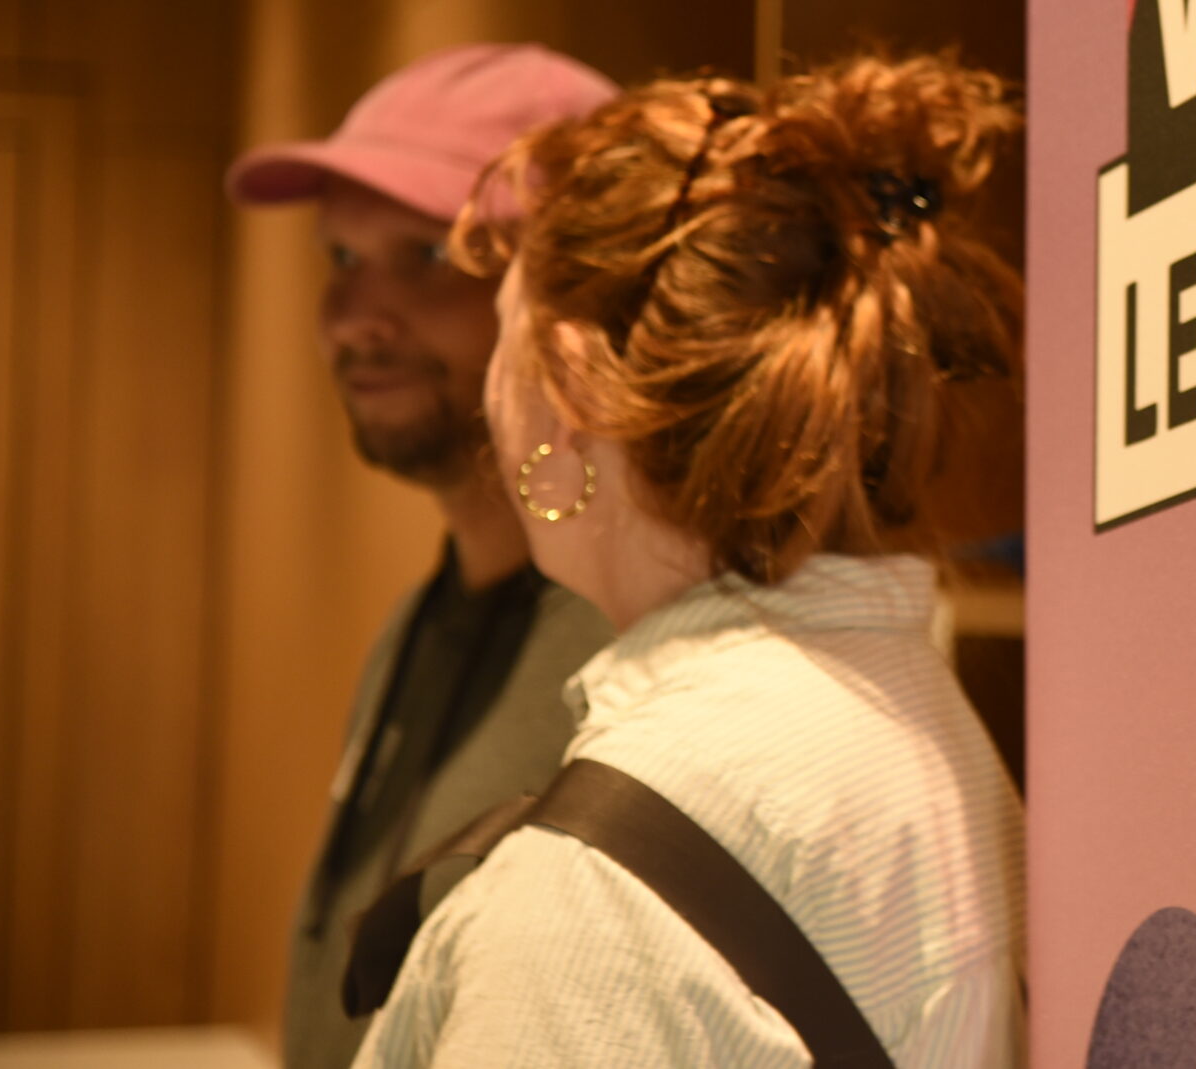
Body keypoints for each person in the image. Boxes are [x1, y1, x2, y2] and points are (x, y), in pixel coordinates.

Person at [350, 54, 1027, 1069]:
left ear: (571, 388)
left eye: (506, 335)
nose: (496, 387)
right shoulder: (913, 716)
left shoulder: (594, 893)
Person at [227, 42, 622, 1069]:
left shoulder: (635, 661)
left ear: (577, 296)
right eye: (342, 258)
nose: (357, 317)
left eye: (432, 256)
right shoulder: (413, 627)